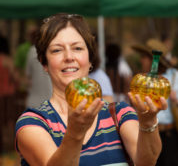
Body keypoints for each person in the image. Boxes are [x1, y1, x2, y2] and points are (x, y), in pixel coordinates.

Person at [15, 13, 168, 166]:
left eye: (77, 48)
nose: (69, 57)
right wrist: (75, 134)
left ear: (89, 60)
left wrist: (148, 122)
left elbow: (146, 162)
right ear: (44, 63)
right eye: (57, 50)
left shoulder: (119, 114)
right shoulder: (33, 123)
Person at [132, 38, 178, 166]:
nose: (141, 60)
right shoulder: (144, 81)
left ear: (154, 59)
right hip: (148, 133)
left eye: (144, 56)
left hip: (169, 136)